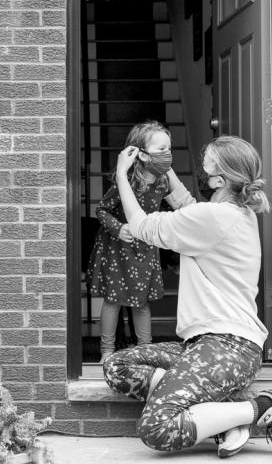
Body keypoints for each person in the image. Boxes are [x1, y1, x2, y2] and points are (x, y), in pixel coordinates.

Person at [103, 135, 272, 460]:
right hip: (204, 345)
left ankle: (266, 406)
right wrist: (163, 168)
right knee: (118, 366)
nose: (200, 169)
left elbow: (141, 225)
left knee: (157, 427)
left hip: (229, 347)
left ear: (220, 178)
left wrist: (120, 173)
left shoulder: (214, 218)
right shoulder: (232, 212)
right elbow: (188, 207)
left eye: (207, 164)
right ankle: (221, 417)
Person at [87, 120, 173, 363]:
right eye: (161, 149)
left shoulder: (163, 181)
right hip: (118, 248)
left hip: (144, 248)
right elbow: (102, 210)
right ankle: (106, 351)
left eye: (169, 149)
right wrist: (119, 228)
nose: (167, 154)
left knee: (141, 301)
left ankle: (145, 349)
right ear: (142, 155)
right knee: (113, 300)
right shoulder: (128, 180)